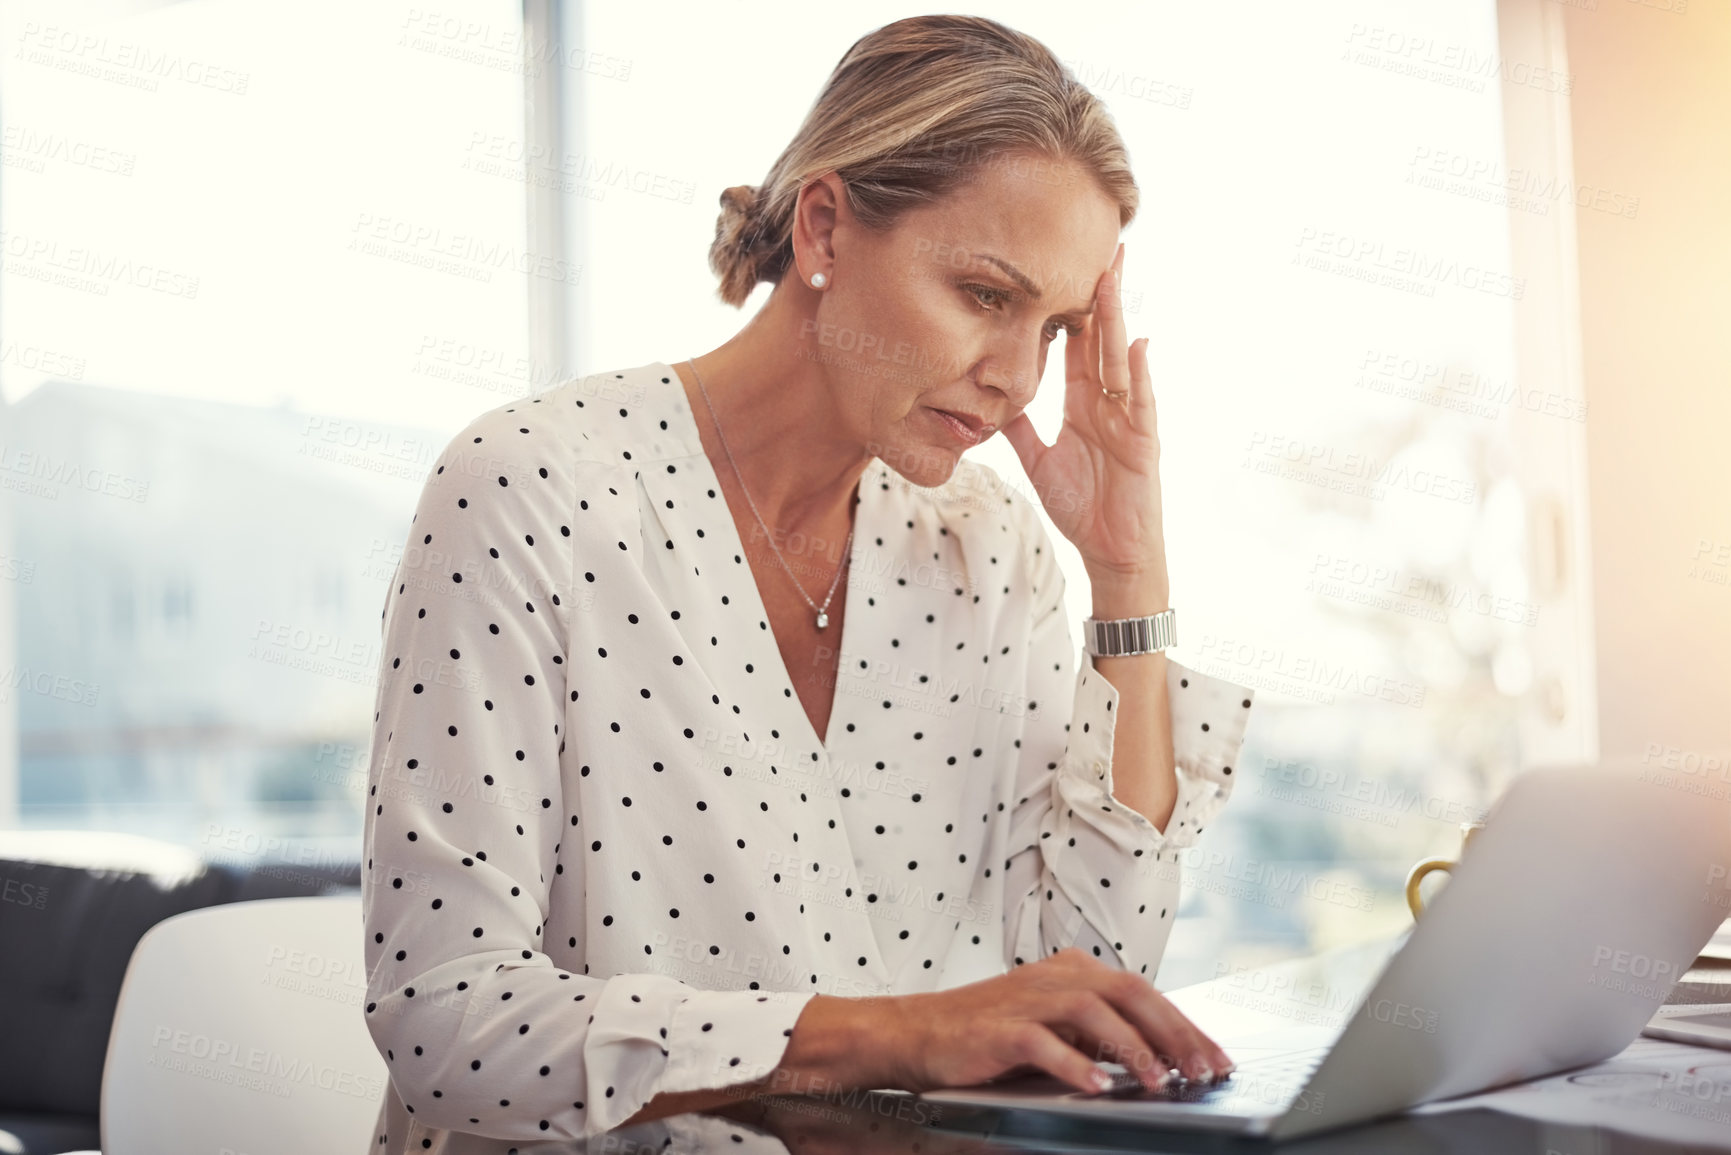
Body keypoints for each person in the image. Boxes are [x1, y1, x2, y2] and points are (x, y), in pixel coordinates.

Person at [360, 14, 1257, 1152]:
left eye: (1059, 326)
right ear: (825, 227)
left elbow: (1092, 979)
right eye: (987, 296)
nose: (1019, 379)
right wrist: (899, 1034)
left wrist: (1127, 568)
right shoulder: (536, 489)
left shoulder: (991, 548)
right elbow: (449, 1025)